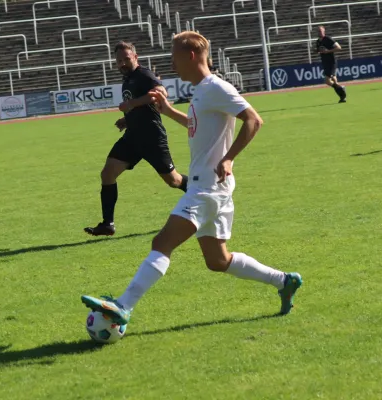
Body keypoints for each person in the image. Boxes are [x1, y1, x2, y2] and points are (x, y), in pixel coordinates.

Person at [81, 32, 302, 326]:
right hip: (209, 187)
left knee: (162, 242)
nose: (171, 64)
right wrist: (170, 112)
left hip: (207, 187)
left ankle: (123, 305)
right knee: (217, 261)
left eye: (173, 57)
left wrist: (229, 158)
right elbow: (196, 124)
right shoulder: (200, 90)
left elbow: (253, 120)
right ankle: (284, 281)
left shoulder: (215, 87)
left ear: (191, 56)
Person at [84, 41, 188, 237]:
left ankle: (206, 196)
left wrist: (131, 104)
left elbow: (161, 93)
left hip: (151, 137)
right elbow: (142, 107)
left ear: (136, 57)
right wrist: (127, 119)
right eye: (119, 60)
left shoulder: (143, 74)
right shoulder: (128, 78)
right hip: (132, 137)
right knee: (107, 174)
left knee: (173, 181)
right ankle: (108, 224)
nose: (122, 63)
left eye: (126, 59)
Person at [315, 26, 347, 103]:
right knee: (334, 80)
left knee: (327, 81)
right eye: (319, 31)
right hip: (325, 63)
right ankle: (342, 96)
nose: (320, 32)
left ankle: (341, 88)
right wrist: (316, 50)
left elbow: (339, 47)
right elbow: (319, 50)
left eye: (321, 31)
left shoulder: (328, 39)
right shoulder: (318, 42)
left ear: (324, 31)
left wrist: (328, 51)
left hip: (331, 62)